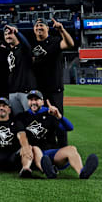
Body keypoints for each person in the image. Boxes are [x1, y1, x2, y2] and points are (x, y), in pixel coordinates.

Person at [16, 90, 98, 180]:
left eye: (36, 100)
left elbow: (69, 128)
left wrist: (59, 117)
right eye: (31, 100)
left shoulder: (50, 114)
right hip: (34, 153)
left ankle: (82, 173)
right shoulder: (22, 116)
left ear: (42, 102)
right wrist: (26, 146)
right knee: (35, 148)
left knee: (71, 149)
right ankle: (48, 171)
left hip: (51, 153)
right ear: (28, 102)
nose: (33, 102)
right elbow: (21, 133)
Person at [31, 17, 75, 145]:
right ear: (34, 29)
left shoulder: (55, 41)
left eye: (42, 26)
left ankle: (63, 147)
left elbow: (69, 44)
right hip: (39, 91)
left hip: (54, 89)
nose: (39, 28)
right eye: (37, 26)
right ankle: (48, 147)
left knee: (57, 118)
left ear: (47, 28)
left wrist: (62, 30)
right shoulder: (32, 45)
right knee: (42, 121)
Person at [4, 25, 36, 116]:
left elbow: (27, 45)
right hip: (13, 91)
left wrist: (17, 33)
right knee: (18, 120)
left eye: (10, 33)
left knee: (30, 119)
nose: (8, 36)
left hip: (25, 90)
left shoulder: (23, 49)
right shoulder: (9, 51)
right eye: (6, 34)